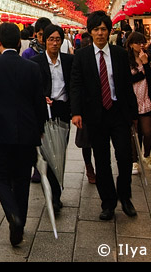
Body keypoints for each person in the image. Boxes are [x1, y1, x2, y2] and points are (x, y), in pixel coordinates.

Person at [0, 22, 46, 246]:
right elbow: (39, 103)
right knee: (22, 179)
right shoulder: (32, 67)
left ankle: (13, 216)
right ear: (19, 43)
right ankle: (20, 224)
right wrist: (40, 129)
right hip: (27, 132)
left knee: (1, 177)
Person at [70, 11, 139, 221]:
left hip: (118, 113)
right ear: (90, 32)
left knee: (125, 157)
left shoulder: (119, 53)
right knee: (101, 161)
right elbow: (76, 85)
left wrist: (133, 114)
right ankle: (108, 202)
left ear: (109, 31)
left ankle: (125, 197)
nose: (100, 33)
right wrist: (77, 112)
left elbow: (127, 86)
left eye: (104, 29)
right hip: (95, 115)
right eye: (96, 29)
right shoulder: (81, 56)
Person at [31, 24, 89, 208]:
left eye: (57, 39)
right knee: (48, 153)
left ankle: (56, 191)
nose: (54, 43)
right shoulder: (36, 62)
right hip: (45, 110)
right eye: (51, 39)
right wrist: (41, 97)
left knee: (60, 151)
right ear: (44, 41)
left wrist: (76, 110)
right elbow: (32, 88)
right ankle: (53, 195)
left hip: (63, 109)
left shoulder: (69, 60)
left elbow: (75, 85)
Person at [124, 32, 151, 174]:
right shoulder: (126, 59)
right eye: (138, 43)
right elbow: (127, 80)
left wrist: (146, 64)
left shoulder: (146, 57)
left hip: (145, 98)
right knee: (133, 132)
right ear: (131, 44)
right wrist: (142, 71)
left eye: (143, 42)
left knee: (148, 132)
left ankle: (147, 155)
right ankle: (134, 160)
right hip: (132, 99)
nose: (141, 45)